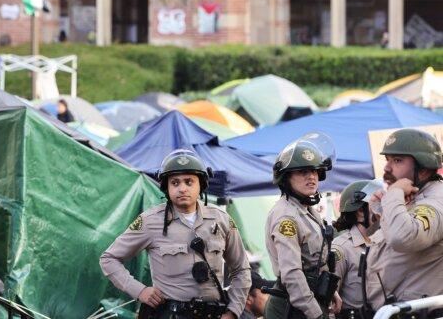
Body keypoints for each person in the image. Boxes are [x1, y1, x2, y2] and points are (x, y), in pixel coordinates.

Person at [99, 149, 251, 319]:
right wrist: (140, 291)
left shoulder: (221, 220)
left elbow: (242, 269)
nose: (182, 189)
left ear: (201, 184)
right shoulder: (150, 221)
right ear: (167, 187)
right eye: (175, 183)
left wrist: (233, 312)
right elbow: (109, 259)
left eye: (189, 182)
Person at [365, 129, 443, 314]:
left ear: (423, 170)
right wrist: (382, 209)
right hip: (393, 310)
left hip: (420, 313)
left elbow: (403, 238)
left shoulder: (437, 201)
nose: (387, 168)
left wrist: (393, 194)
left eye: (397, 160)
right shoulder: (415, 197)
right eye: (388, 160)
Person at [264, 136, 342, 319]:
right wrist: (315, 313)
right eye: (302, 172)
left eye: (315, 171)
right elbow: (292, 275)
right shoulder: (286, 217)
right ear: (287, 178)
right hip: (291, 309)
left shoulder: (307, 211)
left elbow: (317, 262)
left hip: (308, 302)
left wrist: (332, 292)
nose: (312, 177)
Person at [331, 181, 375, 318]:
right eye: (378, 206)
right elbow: (329, 306)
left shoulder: (384, 243)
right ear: (361, 212)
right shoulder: (341, 249)